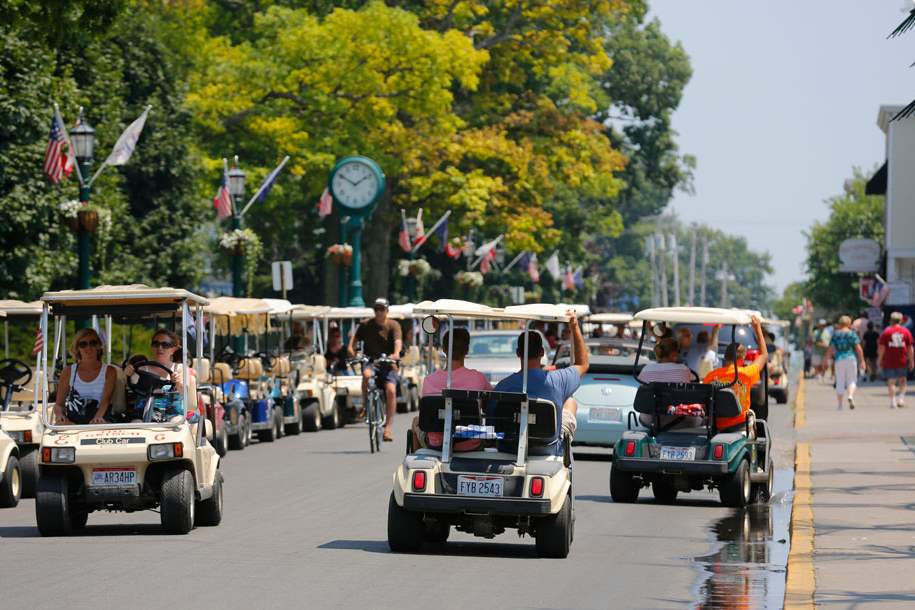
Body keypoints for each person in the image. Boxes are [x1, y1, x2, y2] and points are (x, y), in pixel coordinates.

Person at [494, 311, 589, 442]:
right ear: (542, 352)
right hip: (549, 445)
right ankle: (565, 443)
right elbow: (583, 364)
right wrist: (575, 327)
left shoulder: (503, 386)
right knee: (570, 401)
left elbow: (492, 421)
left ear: (518, 353)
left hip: (510, 447)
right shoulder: (558, 380)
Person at [413, 328, 492, 450]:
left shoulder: (429, 380)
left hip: (436, 443)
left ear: (444, 349)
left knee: (415, 421)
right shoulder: (478, 378)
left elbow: (427, 415)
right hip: (469, 442)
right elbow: (491, 404)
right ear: (466, 350)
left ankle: (418, 455)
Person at [349, 297, 402, 441]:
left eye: (382, 309)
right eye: (376, 309)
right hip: (371, 361)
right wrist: (352, 353)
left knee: (391, 390)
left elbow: (398, 342)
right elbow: (353, 341)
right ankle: (366, 405)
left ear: (387, 310)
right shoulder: (366, 324)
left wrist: (396, 354)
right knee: (366, 375)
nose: (379, 312)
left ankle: (388, 429)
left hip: (387, 362)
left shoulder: (393, 325)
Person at [703, 316, 769, 431]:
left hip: (716, 426)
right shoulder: (746, 373)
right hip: (739, 426)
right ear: (742, 358)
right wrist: (757, 328)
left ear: (725, 357)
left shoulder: (711, 376)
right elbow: (764, 355)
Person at [125, 329, 197, 423]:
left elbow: (183, 391)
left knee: (175, 423)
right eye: (156, 344)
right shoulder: (142, 368)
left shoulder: (180, 368)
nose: (160, 348)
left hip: (172, 411)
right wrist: (127, 374)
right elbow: (130, 386)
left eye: (165, 345)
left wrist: (178, 382)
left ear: (173, 349)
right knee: (135, 423)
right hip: (144, 411)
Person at [54, 328, 116, 425]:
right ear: (77, 348)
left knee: (100, 424)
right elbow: (59, 405)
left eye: (93, 343)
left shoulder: (110, 371)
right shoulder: (68, 371)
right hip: (73, 423)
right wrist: (60, 415)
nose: (88, 348)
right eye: (83, 344)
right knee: (59, 425)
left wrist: (97, 418)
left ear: (99, 346)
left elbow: (105, 400)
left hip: (100, 420)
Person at [825, 315, 865, 410]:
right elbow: (858, 348)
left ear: (839, 324)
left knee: (840, 381)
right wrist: (862, 361)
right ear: (849, 323)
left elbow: (830, 349)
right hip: (851, 358)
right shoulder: (852, 334)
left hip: (839, 359)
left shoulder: (836, 334)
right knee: (852, 380)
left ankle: (840, 405)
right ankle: (850, 396)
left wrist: (826, 360)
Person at [878, 311, 914, 409]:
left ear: (891, 320)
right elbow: (910, 348)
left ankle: (893, 401)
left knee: (891, 382)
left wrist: (880, 360)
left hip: (889, 360)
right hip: (902, 360)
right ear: (901, 320)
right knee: (903, 381)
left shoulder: (886, 332)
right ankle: (901, 399)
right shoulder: (906, 331)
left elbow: (882, 348)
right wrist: (912, 361)